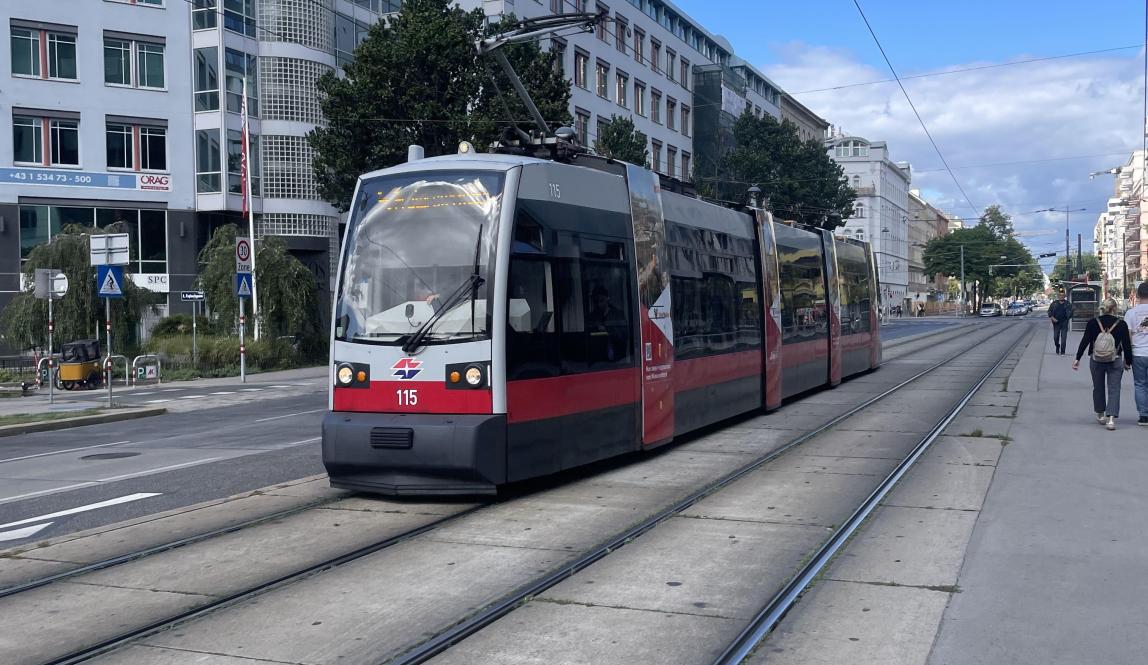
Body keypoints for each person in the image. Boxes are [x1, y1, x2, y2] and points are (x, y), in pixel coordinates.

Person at [1073, 298, 1133, 430]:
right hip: (1115, 359)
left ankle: (1100, 415)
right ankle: (1111, 419)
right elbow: (1127, 345)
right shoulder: (1121, 324)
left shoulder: (1093, 323)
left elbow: (1085, 341)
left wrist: (1077, 358)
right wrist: (1128, 362)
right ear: (1114, 309)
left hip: (1096, 360)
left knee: (1098, 387)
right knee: (1114, 389)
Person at [1124, 282, 1148, 425]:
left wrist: (1127, 359)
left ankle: (1144, 416)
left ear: (1138, 295)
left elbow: (1127, 338)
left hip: (1138, 353)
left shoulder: (1131, 313)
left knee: (1140, 384)